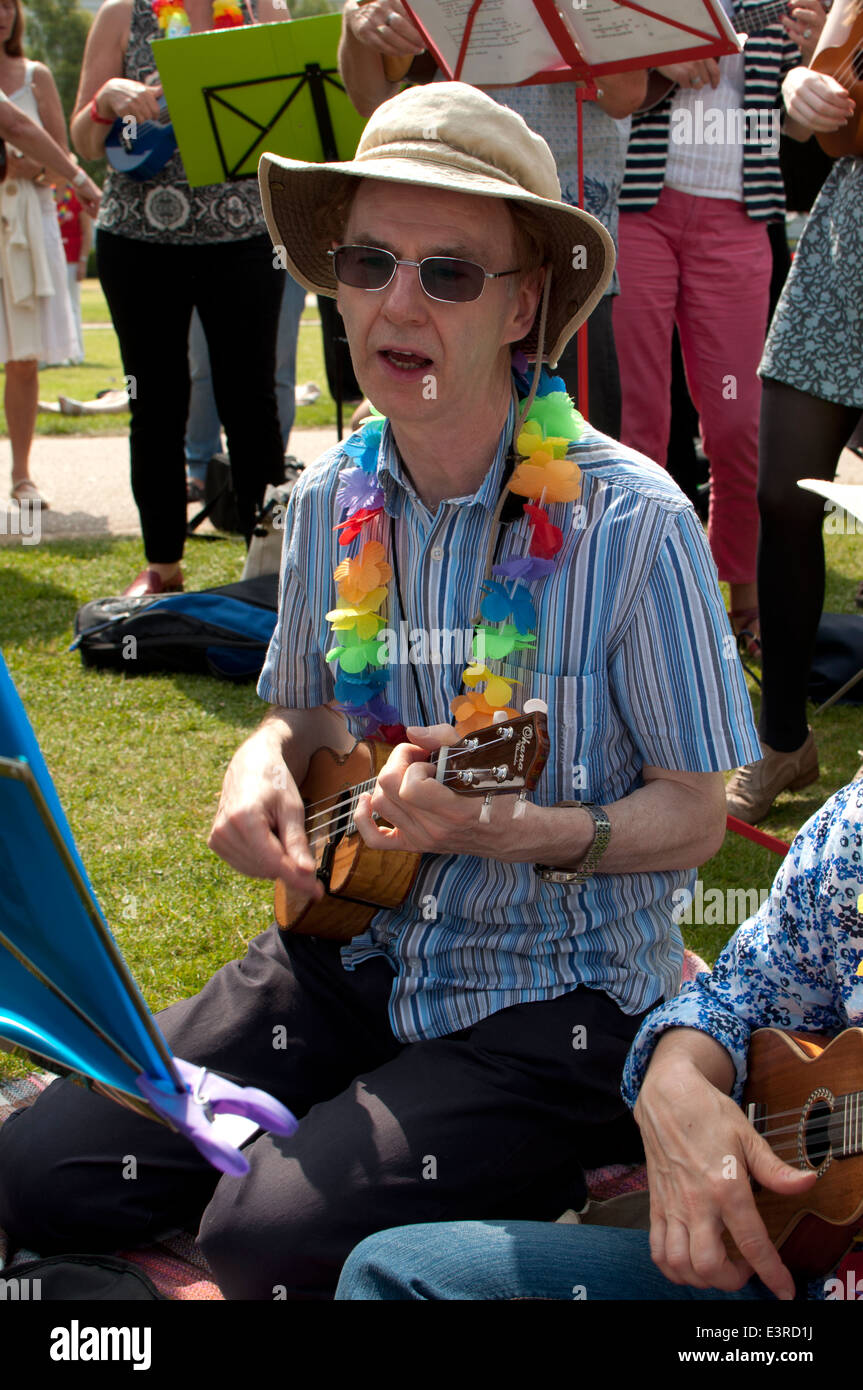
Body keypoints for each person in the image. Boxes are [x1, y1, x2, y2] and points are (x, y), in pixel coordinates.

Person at [0, 82, 761, 1301]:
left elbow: (695, 807)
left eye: (449, 274)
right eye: (369, 263)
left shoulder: (635, 521)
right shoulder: (327, 498)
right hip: (344, 949)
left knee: (265, 1238)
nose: (398, 304)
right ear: (335, 284)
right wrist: (258, 758)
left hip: (549, 1003)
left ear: (523, 306)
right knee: (40, 1172)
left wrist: (536, 832)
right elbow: (302, 713)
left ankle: (574, 1147)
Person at [334, 774, 863, 1300]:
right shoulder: (851, 831)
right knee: (395, 1275)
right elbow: (740, 994)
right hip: (773, 1260)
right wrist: (677, 1070)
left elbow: (691, 817)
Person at [614, 0, 826, 651]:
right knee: (638, 422)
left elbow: (799, 127)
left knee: (736, 419)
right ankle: (631, 597)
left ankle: (738, 593)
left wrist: (818, 57)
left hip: (737, 217)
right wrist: (655, 55)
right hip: (636, 207)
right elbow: (598, 69)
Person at [337, 0, 648, 437]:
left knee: (571, 461)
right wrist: (358, 17)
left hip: (564, 242)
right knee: (428, 441)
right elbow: (368, 96)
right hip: (439, 238)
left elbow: (626, 91)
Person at [69, 0, 291, 597]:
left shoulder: (260, 8)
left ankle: (267, 573)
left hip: (243, 238)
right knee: (156, 403)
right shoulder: (121, 13)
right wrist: (105, 100)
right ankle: (163, 567)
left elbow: (292, 119)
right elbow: (84, 140)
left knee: (251, 404)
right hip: (139, 241)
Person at [726, 0, 863, 823]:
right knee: (782, 492)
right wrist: (802, 87)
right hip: (847, 237)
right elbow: (828, 90)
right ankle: (783, 742)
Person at [0, 0, 95, 509]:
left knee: (22, 355)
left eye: (9, 5)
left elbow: (58, 157)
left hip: (28, 224)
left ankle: (21, 474)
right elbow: (15, 130)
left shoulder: (35, 76)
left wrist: (29, 171)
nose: (3, 14)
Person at [54, 180, 92, 365]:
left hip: (72, 260)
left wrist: (83, 261)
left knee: (73, 307)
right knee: (55, 307)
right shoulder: (49, 194)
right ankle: (57, 354)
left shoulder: (76, 196)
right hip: (52, 261)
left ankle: (76, 353)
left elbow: (87, 231)